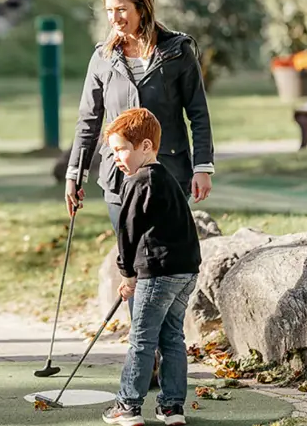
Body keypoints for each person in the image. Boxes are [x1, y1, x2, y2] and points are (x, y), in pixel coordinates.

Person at [64, 0, 214, 392]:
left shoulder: (177, 51)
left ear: (141, 7)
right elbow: (88, 121)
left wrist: (203, 166)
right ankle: (145, 359)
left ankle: (165, 357)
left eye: (122, 9)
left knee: (163, 264)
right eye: (110, 10)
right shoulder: (102, 57)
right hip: (118, 179)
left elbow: (198, 114)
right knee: (136, 261)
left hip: (169, 178)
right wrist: (75, 174)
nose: (115, 18)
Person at [99, 108, 201, 426]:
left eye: (122, 149)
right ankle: (172, 408)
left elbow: (127, 234)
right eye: (114, 151)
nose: (118, 157)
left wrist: (127, 275)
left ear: (145, 147)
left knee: (142, 339)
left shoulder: (138, 181)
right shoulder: (167, 178)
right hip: (186, 270)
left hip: (158, 274)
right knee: (172, 338)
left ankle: (127, 406)